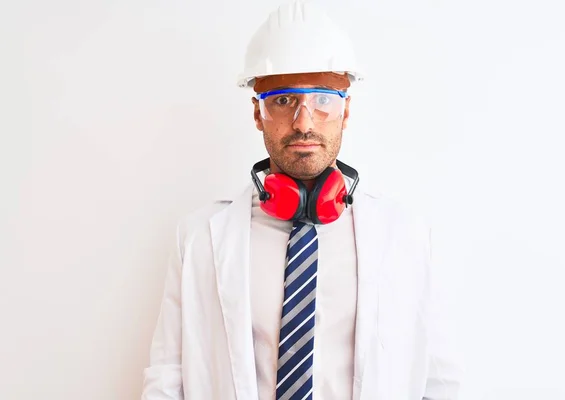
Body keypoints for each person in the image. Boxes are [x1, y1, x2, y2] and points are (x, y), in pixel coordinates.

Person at [141, 1, 462, 399]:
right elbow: (167, 378)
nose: (304, 122)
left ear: (346, 111)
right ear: (257, 113)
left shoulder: (407, 234)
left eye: (323, 99)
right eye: (283, 100)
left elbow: (440, 381)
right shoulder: (198, 237)